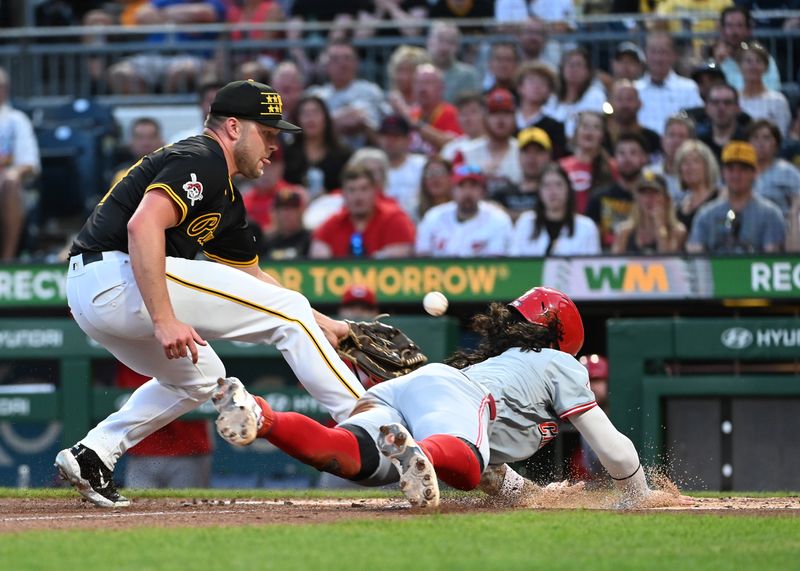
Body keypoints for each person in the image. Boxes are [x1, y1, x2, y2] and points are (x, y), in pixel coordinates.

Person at [54, 80, 367, 508]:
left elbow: (255, 280)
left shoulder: (226, 197)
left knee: (202, 377)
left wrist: (325, 324)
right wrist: (164, 319)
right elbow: (142, 226)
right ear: (234, 128)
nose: (275, 146)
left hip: (98, 292)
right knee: (288, 314)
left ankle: (94, 453)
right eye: (268, 132)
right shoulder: (201, 156)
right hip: (116, 275)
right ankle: (370, 424)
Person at [212, 286, 690, 509]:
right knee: (458, 459)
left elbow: (495, 478)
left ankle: (264, 416)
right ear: (563, 337)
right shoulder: (558, 362)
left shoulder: (495, 365)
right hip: (450, 400)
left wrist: (539, 496)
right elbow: (609, 444)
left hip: (411, 393)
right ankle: (422, 453)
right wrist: (637, 491)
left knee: (356, 459)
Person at [116, 363, 212, 489]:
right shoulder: (129, 352)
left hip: (188, 450)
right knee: (138, 505)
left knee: (190, 505)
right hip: (141, 452)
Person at [687, 141, 786, 253]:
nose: (736, 175)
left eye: (743, 169)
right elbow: (695, 255)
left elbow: (772, 257)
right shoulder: (706, 214)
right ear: (723, 173)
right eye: (730, 169)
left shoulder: (770, 214)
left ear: (754, 173)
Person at [310, 164, 415, 259]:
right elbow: (318, 257)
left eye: (364, 189)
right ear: (343, 194)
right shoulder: (332, 224)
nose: (358, 197)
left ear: (375, 191)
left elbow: (400, 257)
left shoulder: (395, 219)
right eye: (351, 190)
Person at [415, 164, 513, 257]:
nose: (467, 192)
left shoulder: (498, 219)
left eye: (473, 186)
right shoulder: (434, 216)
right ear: (452, 190)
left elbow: (498, 263)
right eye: (461, 186)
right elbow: (422, 256)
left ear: (483, 191)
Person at [306, 40, 387, 150]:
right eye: (335, 59)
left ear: (357, 62)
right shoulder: (316, 96)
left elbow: (385, 136)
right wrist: (335, 122)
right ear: (326, 65)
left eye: (348, 58)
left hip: (365, 155)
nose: (342, 64)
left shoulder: (371, 92)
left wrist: (363, 125)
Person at [509, 163, 600, 256]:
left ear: (568, 189)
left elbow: (592, 264)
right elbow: (515, 263)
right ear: (539, 191)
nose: (552, 191)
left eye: (558, 185)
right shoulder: (525, 222)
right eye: (546, 185)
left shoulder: (587, 227)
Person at [0, 67, 40, 261]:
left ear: (5, 90)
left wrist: (14, 173)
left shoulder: (16, 120)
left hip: (11, 185)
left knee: (10, 181)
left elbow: (29, 163)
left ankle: (7, 259)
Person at [585, 133, 651, 250]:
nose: (627, 158)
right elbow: (590, 238)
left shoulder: (652, 198)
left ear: (644, 158)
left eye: (633, 153)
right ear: (614, 158)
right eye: (621, 153)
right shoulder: (598, 197)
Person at [283, 95, 352, 199]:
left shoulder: (342, 154)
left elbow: (349, 187)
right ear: (297, 120)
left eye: (315, 113)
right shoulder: (287, 154)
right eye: (305, 114)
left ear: (326, 118)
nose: (310, 119)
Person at [634, 31, 703, 136]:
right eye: (653, 52)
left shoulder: (688, 88)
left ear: (674, 55)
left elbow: (697, 123)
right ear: (645, 55)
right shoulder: (634, 90)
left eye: (663, 52)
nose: (658, 58)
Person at [611, 171, 687, 255]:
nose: (649, 198)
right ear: (637, 198)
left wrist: (660, 226)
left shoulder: (677, 231)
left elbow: (667, 260)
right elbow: (616, 264)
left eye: (655, 192)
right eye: (643, 193)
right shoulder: (624, 231)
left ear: (666, 198)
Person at [559, 111, 617, 214]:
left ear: (602, 135)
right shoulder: (561, 166)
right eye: (585, 126)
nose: (589, 132)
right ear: (576, 132)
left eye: (596, 127)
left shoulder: (613, 167)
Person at [544, 48, 607, 139]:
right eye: (570, 65)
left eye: (579, 65)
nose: (574, 69)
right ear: (562, 69)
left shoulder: (596, 95)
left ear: (588, 71)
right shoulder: (552, 98)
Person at [492, 127, 553, 221]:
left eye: (538, 151)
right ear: (518, 156)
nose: (532, 158)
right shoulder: (502, 193)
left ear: (548, 156)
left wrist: (506, 213)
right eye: (526, 151)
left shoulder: (553, 192)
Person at [716, 6, 782, 92]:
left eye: (740, 26)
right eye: (729, 25)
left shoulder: (762, 59)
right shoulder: (713, 59)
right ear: (722, 30)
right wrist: (716, 65)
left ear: (749, 30)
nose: (734, 31)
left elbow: (774, 90)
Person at [736, 41, 791, 137]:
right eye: (748, 61)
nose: (753, 66)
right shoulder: (733, 100)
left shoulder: (778, 100)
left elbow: (782, 134)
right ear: (740, 66)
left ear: (766, 68)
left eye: (758, 61)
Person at [514, 61, 568, 159]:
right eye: (531, 81)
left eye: (542, 82)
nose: (537, 86)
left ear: (549, 91)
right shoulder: (508, 120)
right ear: (520, 87)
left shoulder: (555, 126)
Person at [748, 119, 800, 221]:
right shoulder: (738, 172)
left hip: (779, 228)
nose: (760, 143)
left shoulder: (787, 172)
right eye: (755, 138)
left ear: (776, 144)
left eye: (766, 138)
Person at [377, 115, 426, 221]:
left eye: (396, 136)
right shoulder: (372, 168)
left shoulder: (421, 165)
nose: (390, 140)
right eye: (386, 135)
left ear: (408, 139)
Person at [673, 139, 722, 234]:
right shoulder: (678, 208)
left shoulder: (720, 198)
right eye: (685, 162)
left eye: (696, 161)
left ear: (707, 166)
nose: (690, 167)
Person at [425, 21, 481, 104]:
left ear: (458, 47)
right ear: (429, 41)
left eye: (450, 42)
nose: (444, 47)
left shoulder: (468, 75)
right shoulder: (416, 72)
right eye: (440, 40)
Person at [606, 80, 661, 157]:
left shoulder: (652, 139)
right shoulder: (602, 138)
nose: (624, 105)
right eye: (619, 99)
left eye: (629, 99)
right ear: (611, 103)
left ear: (640, 104)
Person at [259, 185, 312, 260]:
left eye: (292, 208)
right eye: (282, 209)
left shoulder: (310, 239)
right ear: (274, 213)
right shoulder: (266, 241)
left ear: (301, 212)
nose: (287, 213)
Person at [417, 155, 453, 220]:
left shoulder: (462, 208)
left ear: (451, 177)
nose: (435, 178)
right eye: (430, 174)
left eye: (440, 172)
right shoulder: (415, 212)